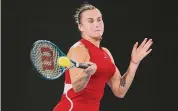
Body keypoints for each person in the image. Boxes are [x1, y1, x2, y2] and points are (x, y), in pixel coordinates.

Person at [53, 3, 153, 111]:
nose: (97, 24)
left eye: (99, 20)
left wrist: (134, 63)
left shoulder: (106, 53)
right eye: (90, 21)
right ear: (80, 26)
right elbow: (77, 87)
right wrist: (87, 73)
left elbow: (120, 90)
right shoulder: (79, 49)